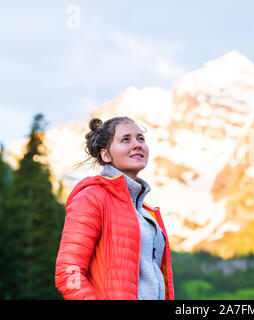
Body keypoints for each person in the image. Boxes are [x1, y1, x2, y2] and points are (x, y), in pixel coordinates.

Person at [55, 116, 174, 300]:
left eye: (140, 138)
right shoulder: (92, 198)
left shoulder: (147, 213)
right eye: (125, 139)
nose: (137, 144)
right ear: (105, 155)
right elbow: (68, 273)